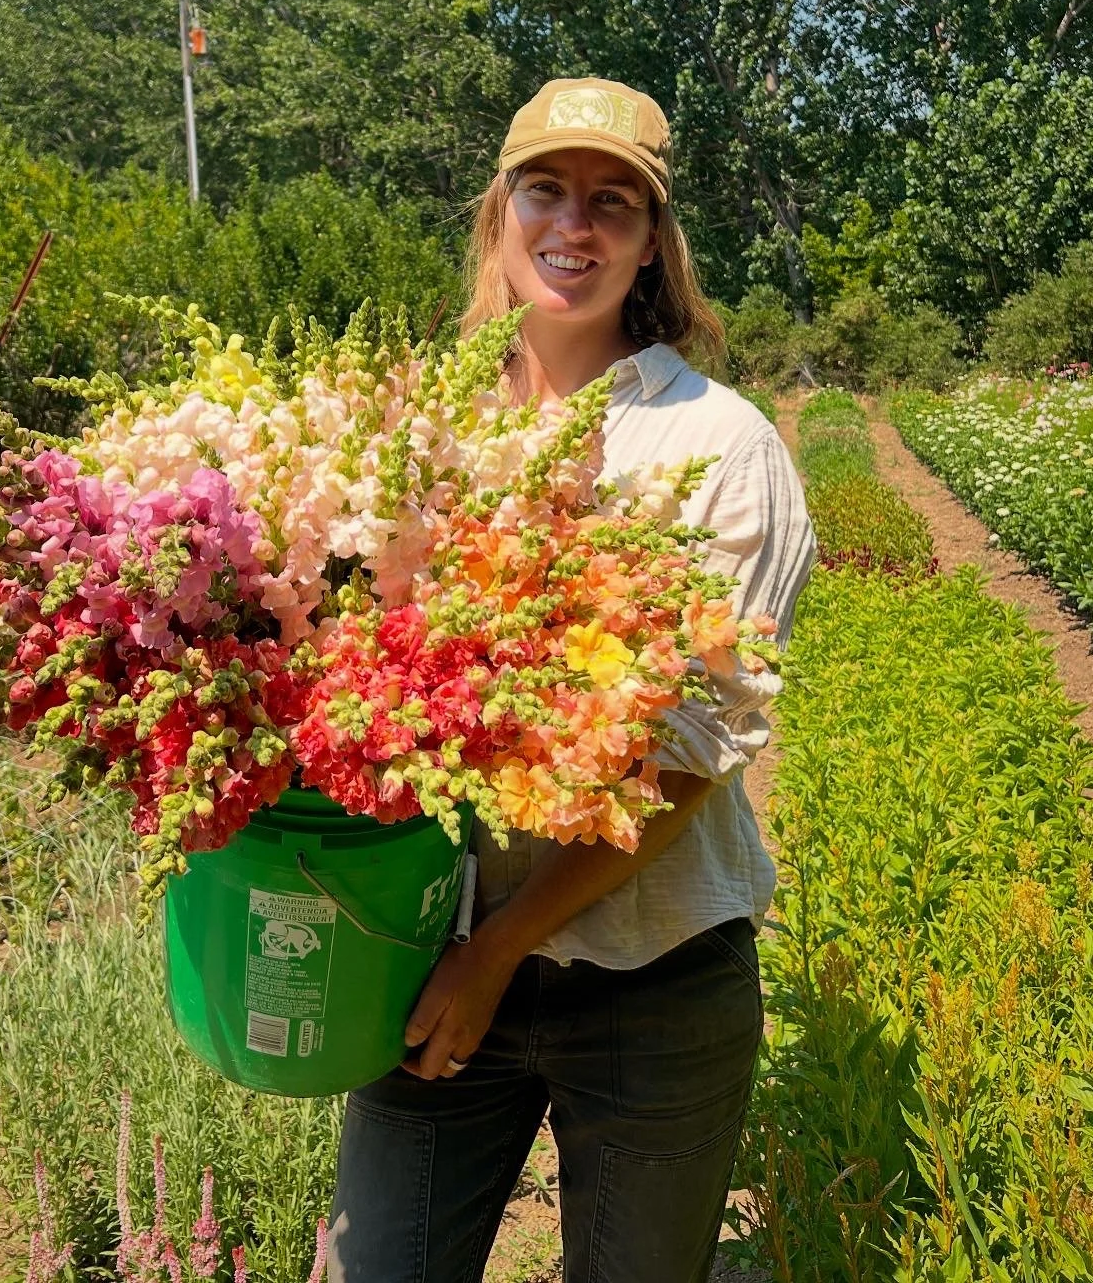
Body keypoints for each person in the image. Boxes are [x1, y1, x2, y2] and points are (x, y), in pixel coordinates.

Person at [326, 78, 816, 1283]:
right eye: (545, 189)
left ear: (652, 243)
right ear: (499, 214)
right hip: (422, 950)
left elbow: (694, 751)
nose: (574, 225)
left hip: (655, 981)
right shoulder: (411, 424)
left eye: (614, 202)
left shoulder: (719, 444)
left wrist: (497, 951)